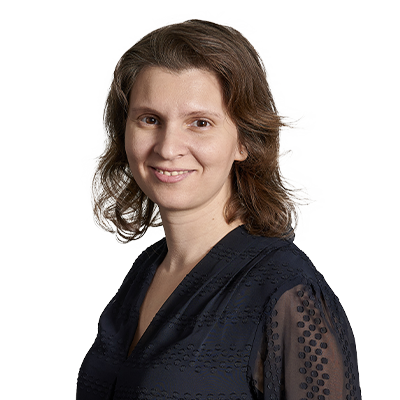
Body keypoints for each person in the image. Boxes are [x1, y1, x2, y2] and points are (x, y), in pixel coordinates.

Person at [76, 19, 361, 400]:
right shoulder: (145, 271)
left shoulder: (287, 291)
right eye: (150, 119)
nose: (167, 147)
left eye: (200, 123)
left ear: (244, 141)